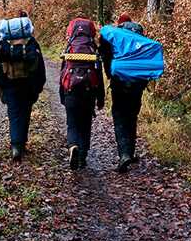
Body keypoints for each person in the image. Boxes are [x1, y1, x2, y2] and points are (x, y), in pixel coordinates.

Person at [99, 13, 149, 172]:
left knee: (119, 115)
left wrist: (109, 75)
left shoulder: (115, 36)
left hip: (119, 81)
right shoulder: (138, 35)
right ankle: (130, 152)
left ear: (119, 24)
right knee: (132, 115)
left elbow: (106, 57)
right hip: (138, 82)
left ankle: (124, 154)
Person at [0, 10, 46, 161]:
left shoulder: (4, 43)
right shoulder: (31, 42)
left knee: (14, 114)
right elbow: (40, 66)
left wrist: (2, 86)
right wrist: (39, 86)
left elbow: (0, 68)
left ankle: (16, 146)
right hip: (28, 83)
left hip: (10, 83)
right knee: (25, 112)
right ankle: (21, 143)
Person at [59, 17, 105, 170]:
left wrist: (62, 95)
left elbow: (62, 73)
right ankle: (83, 155)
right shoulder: (93, 49)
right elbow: (98, 75)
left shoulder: (69, 48)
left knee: (72, 122)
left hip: (71, 90)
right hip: (88, 91)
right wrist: (100, 98)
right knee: (85, 123)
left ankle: (73, 146)